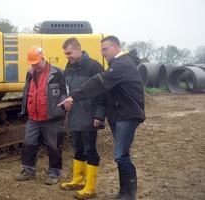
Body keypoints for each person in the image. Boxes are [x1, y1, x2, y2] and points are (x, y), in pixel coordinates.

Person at [58, 35, 145, 200]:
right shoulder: (117, 65)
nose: (102, 53)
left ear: (116, 47)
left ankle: (129, 195)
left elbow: (99, 84)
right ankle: (123, 193)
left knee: (121, 155)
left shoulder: (123, 64)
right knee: (121, 155)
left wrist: (75, 97)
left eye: (105, 49)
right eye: (101, 50)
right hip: (118, 114)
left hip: (127, 114)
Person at [59, 37, 106, 199]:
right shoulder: (69, 67)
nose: (67, 57)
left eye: (69, 53)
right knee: (77, 148)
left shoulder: (94, 67)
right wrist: (66, 102)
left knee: (89, 149)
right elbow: (65, 88)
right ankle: (78, 180)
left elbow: (103, 93)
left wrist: (99, 115)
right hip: (75, 115)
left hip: (89, 115)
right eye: (65, 54)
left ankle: (90, 188)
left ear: (79, 49)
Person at [14, 45, 66, 185]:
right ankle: (28, 170)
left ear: (43, 59)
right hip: (33, 117)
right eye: (32, 64)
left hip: (51, 118)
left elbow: (65, 93)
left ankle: (54, 173)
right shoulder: (30, 73)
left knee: (53, 146)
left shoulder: (58, 73)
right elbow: (27, 91)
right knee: (29, 144)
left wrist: (60, 110)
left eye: (36, 63)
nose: (34, 66)